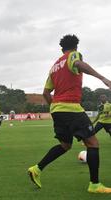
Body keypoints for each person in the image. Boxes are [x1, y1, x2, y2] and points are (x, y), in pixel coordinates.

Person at [28, 34, 111, 193]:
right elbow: (79, 63)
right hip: (71, 107)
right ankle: (94, 185)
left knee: (65, 145)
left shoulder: (54, 66)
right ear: (76, 47)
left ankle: (36, 169)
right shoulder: (73, 55)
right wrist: (103, 78)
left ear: (61, 48)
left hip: (57, 110)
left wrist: (56, 107)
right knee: (93, 143)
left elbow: (46, 93)